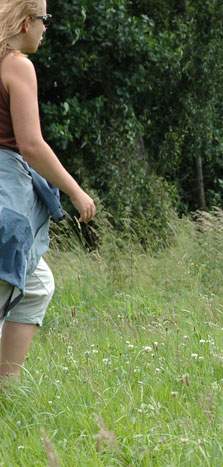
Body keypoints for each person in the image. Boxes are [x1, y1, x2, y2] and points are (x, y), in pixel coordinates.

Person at [0, 0, 96, 382]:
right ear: (26, 23)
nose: (46, 28)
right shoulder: (17, 66)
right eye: (44, 20)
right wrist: (75, 191)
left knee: (37, 284)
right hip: (5, 194)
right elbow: (32, 145)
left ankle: (6, 389)